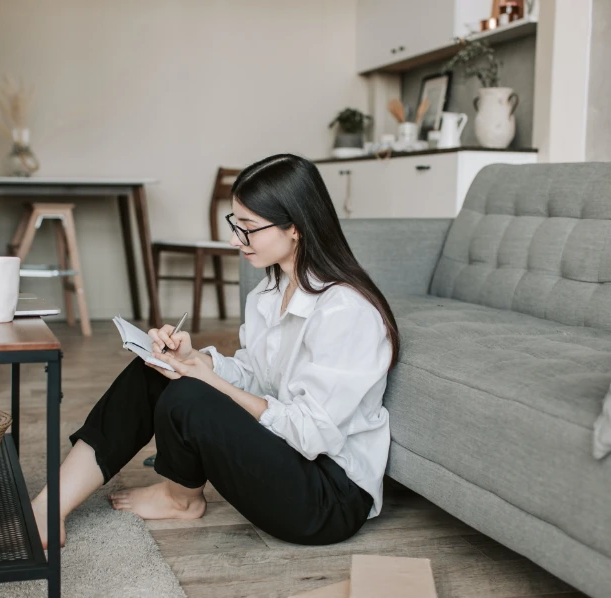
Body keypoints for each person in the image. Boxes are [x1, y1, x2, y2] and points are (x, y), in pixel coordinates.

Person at [29, 153, 400, 547]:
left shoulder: (346, 312)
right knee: (155, 369)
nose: (234, 240)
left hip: (327, 497)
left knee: (192, 395)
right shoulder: (268, 294)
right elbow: (258, 378)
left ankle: (180, 499)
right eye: (235, 225)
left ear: (295, 228)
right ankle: (48, 508)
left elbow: (312, 434)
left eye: (248, 228)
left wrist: (209, 382)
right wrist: (195, 359)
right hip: (289, 456)